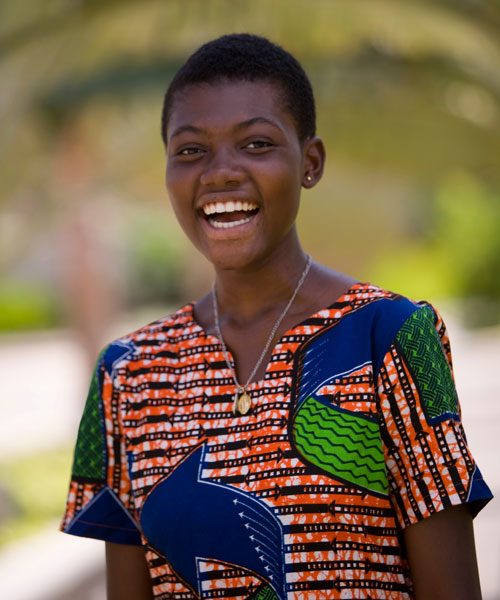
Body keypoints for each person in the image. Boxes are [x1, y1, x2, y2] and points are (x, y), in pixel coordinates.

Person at [61, 34, 492, 600]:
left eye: (256, 143)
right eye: (190, 150)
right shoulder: (128, 374)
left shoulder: (391, 336)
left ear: (309, 162)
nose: (220, 172)